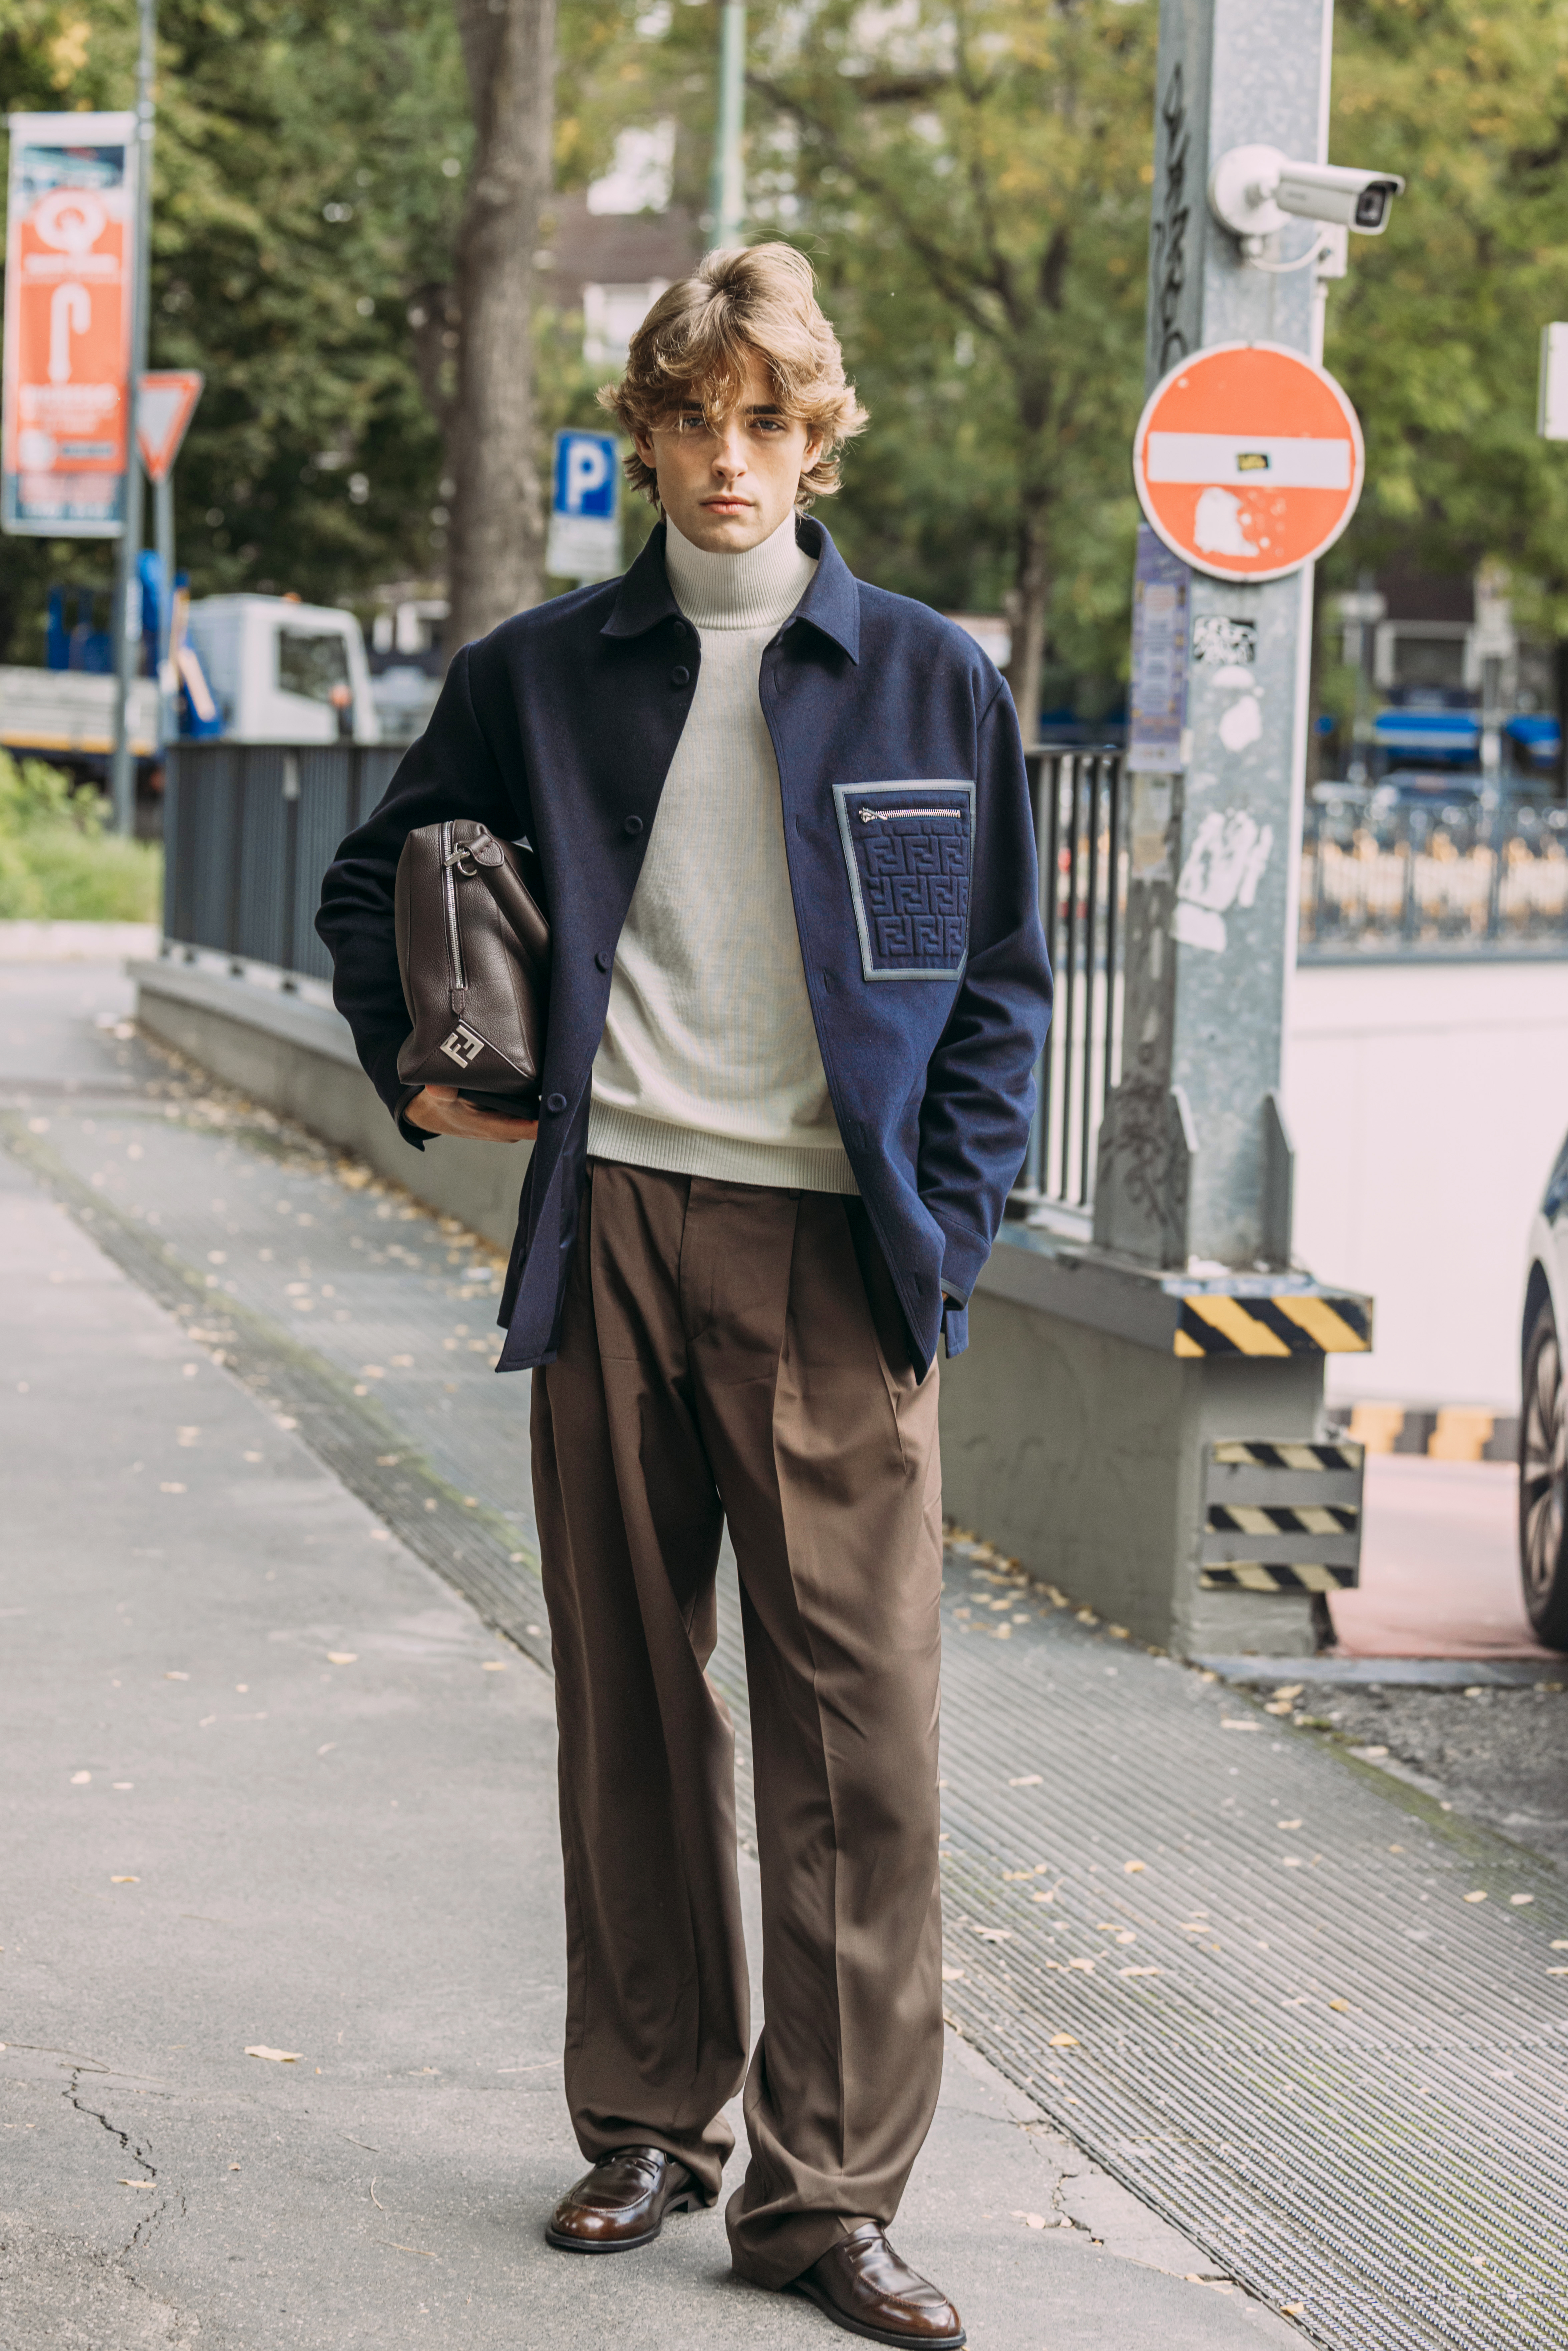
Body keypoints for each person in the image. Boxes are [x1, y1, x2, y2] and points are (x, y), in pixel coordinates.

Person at [317, 242, 1051, 2347]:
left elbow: (1000, 987)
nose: (729, 459)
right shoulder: (541, 674)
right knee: (634, 1703)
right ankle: (649, 2116)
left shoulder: (930, 679)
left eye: (768, 422)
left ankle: (829, 2199)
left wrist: (952, 1233)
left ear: (818, 440)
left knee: (866, 1743)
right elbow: (380, 885)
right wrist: (436, 1072)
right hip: (618, 1224)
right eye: (691, 418)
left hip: (840, 1256)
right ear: (642, 433)